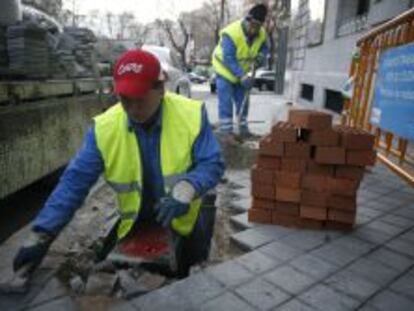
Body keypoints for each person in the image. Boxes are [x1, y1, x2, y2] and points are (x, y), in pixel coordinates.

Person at [12, 49, 225, 278]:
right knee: (120, 269)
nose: (133, 109)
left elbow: (212, 162)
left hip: (183, 218)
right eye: (125, 100)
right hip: (135, 221)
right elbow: (74, 183)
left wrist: (186, 189)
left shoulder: (190, 114)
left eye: (140, 99)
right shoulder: (105, 129)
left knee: (192, 269)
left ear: (160, 89)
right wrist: (42, 234)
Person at [212, 3, 269, 142]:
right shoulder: (231, 33)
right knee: (225, 102)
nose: (254, 30)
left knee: (243, 100)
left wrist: (261, 56)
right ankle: (227, 133)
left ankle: (244, 131)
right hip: (224, 70)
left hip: (241, 72)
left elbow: (264, 48)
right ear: (247, 20)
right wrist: (242, 76)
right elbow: (229, 58)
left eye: (258, 27)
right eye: (253, 26)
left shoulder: (261, 34)